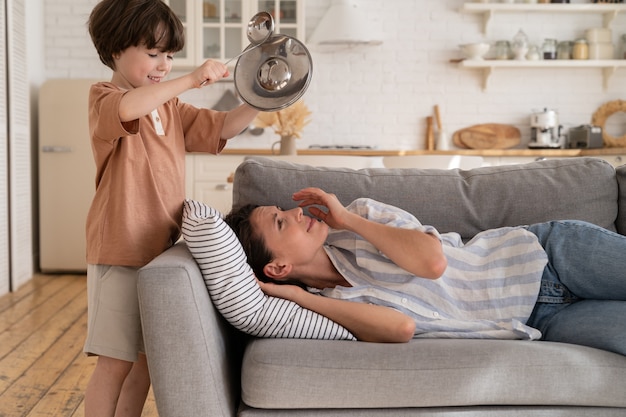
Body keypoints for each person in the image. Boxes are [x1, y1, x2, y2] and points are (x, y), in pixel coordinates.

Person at [83, 1, 259, 416]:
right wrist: (193, 77)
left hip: (159, 254)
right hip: (121, 250)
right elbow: (130, 108)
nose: (163, 65)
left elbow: (223, 127)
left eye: (170, 56)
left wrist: (262, 96)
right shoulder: (104, 98)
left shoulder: (169, 108)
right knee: (115, 363)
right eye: (152, 53)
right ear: (113, 50)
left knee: (145, 364)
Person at [224, 187, 626, 356]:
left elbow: (432, 263)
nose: (295, 212)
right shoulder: (327, 307)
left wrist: (348, 219)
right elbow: (401, 329)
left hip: (548, 257)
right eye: (280, 222)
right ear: (277, 267)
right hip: (541, 320)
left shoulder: (361, 216)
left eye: (284, 210)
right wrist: (297, 296)